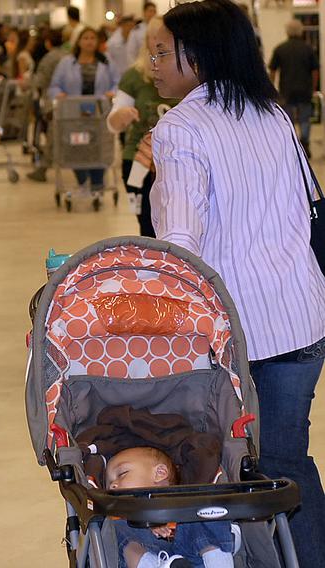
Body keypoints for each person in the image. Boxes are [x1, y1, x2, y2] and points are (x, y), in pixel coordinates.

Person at [146, 1, 325, 565]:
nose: (152, 64)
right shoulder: (272, 112)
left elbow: (181, 242)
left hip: (232, 331)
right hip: (300, 314)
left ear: (197, 57)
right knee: (289, 460)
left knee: (219, 463)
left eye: (161, 52)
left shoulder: (180, 127)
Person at [107, 16, 177, 237]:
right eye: (154, 38)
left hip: (175, 161)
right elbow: (112, 124)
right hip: (138, 162)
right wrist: (122, 115)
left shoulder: (187, 78)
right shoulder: (134, 77)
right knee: (146, 224)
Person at [107, 447, 234, 568]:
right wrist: (147, 525)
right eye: (108, 483)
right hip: (149, 556)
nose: (112, 485)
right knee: (113, 528)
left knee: (203, 510)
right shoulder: (121, 518)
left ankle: (218, 561)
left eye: (122, 474)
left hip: (195, 556)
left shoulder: (184, 507)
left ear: (160, 473)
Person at [48, 27, 119, 193]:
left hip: (99, 115)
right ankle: (82, 181)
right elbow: (54, 86)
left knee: (99, 147)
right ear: (79, 41)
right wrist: (59, 95)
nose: (89, 41)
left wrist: (112, 92)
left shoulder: (106, 61)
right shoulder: (66, 63)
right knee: (77, 147)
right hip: (74, 116)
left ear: (97, 42)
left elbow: (117, 82)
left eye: (92, 38)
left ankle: (97, 183)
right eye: (85, 38)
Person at [269, 19, 319, 157]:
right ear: (301, 31)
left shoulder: (280, 49)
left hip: (286, 90)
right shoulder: (308, 49)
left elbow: (273, 70)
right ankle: (305, 144)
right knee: (304, 118)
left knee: (288, 119)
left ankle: (293, 146)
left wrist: (272, 88)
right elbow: (315, 71)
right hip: (305, 89)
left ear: (287, 31)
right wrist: (313, 88)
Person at [28, 28, 66, 182]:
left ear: (47, 43)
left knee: (52, 136)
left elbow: (41, 81)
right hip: (69, 101)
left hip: (53, 102)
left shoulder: (48, 59)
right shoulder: (68, 56)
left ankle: (43, 168)